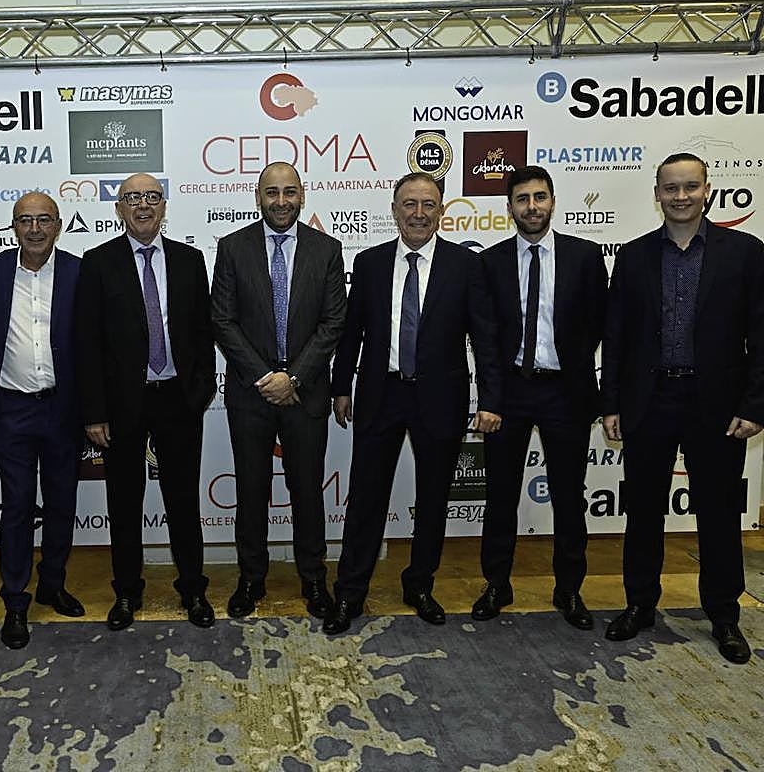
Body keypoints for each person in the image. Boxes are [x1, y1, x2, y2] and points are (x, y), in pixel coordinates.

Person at [601, 152, 764, 664]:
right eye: (670, 188)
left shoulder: (745, 253)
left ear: (707, 191)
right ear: (657, 194)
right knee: (643, 509)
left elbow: (761, 335)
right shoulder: (633, 256)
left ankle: (724, 616)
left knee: (718, 512)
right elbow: (616, 337)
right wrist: (611, 403)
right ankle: (639, 604)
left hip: (716, 404)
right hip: (649, 401)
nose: (680, 196)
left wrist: (755, 404)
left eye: (690, 186)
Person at [324, 172, 502, 635]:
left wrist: (490, 398)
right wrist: (341, 387)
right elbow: (352, 333)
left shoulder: (467, 265)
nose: (418, 213)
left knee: (434, 496)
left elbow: (485, 338)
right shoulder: (369, 262)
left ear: (441, 211)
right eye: (409, 204)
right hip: (380, 393)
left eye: (428, 204)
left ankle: (420, 585)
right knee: (366, 497)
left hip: (440, 397)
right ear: (394, 210)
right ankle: (350, 591)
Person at [77, 173, 217, 630]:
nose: (143, 205)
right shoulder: (97, 262)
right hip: (122, 404)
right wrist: (94, 411)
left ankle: (193, 589)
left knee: (183, 500)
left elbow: (203, 331)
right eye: (133, 197)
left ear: (163, 206)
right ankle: (126, 592)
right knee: (123, 502)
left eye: (152, 197)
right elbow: (88, 343)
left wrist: (200, 390)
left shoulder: (190, 260)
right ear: (119, 208)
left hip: (178, 398)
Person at [472, 165, 607, 629]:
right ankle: (497, 584)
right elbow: (486, 339)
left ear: (552, 201)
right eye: (523, 199)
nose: (532, 207)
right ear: (509, 207)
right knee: (500, 494)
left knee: (569, 496)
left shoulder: (585, 256)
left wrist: (575, 367)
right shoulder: (489, 263)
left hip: (566, 393)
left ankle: (569, 589)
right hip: (509, 391)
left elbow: (598, 324)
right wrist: (490, 397)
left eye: (540, 197)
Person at [210, 162, 346, 619]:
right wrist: (266, 377)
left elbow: (333, 322)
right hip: (251, 393)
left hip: (306, 393)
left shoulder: (327, 250)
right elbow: (222, 320)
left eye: (290, 192)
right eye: (272, 192)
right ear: (259, 197)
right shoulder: (232, 248)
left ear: (302, 196)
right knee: (251, 490)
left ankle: (314, 579)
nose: (281, 201)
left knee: (307, 490)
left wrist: (295, 378)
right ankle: (251, 579)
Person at [0, 192, 84, 649]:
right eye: (26, 220)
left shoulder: (79, 271)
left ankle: (53, 584)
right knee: (18, 505)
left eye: (44, 220)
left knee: (62, 502)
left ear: (58, 225)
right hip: (12, 409)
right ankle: (16, 600)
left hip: (63, 408)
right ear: (14, 226)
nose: (35, 229)